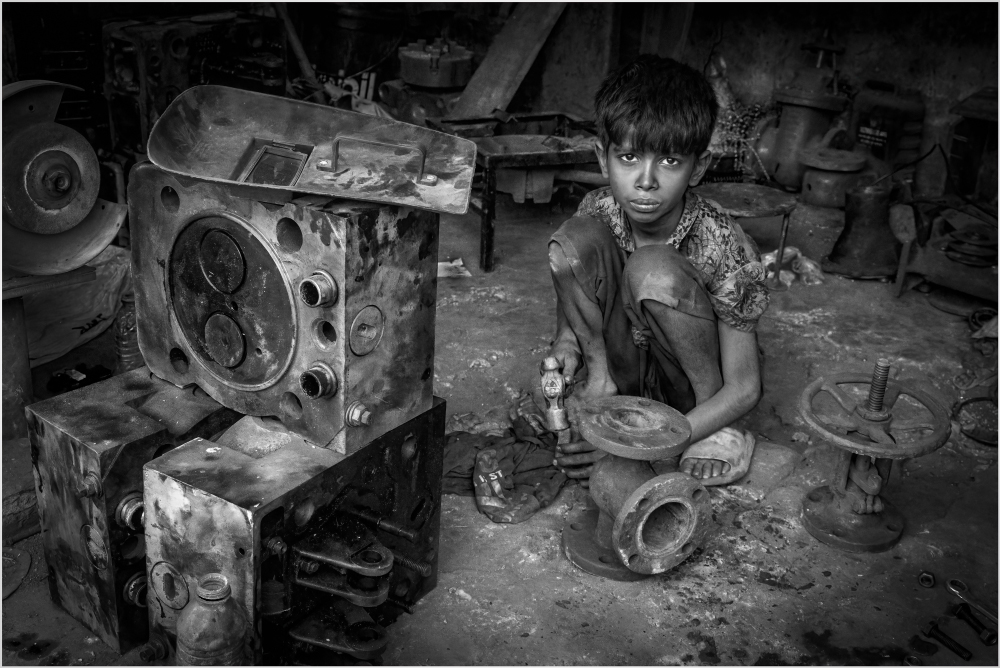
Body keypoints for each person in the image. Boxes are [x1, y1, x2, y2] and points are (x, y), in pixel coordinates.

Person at [546, 54, 768, 486]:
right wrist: (566, 354)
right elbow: (568, 326)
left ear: (698, 167)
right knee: (572, 240)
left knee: (652, 270)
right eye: (628, 157)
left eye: (669, 161)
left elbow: (745, 388)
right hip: (624, 371)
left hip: (693, 391)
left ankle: (712, 429)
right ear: (601, 158)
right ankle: (602, 389)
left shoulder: (723, 241)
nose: (645, 180)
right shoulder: (597, 209)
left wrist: (639, 444)